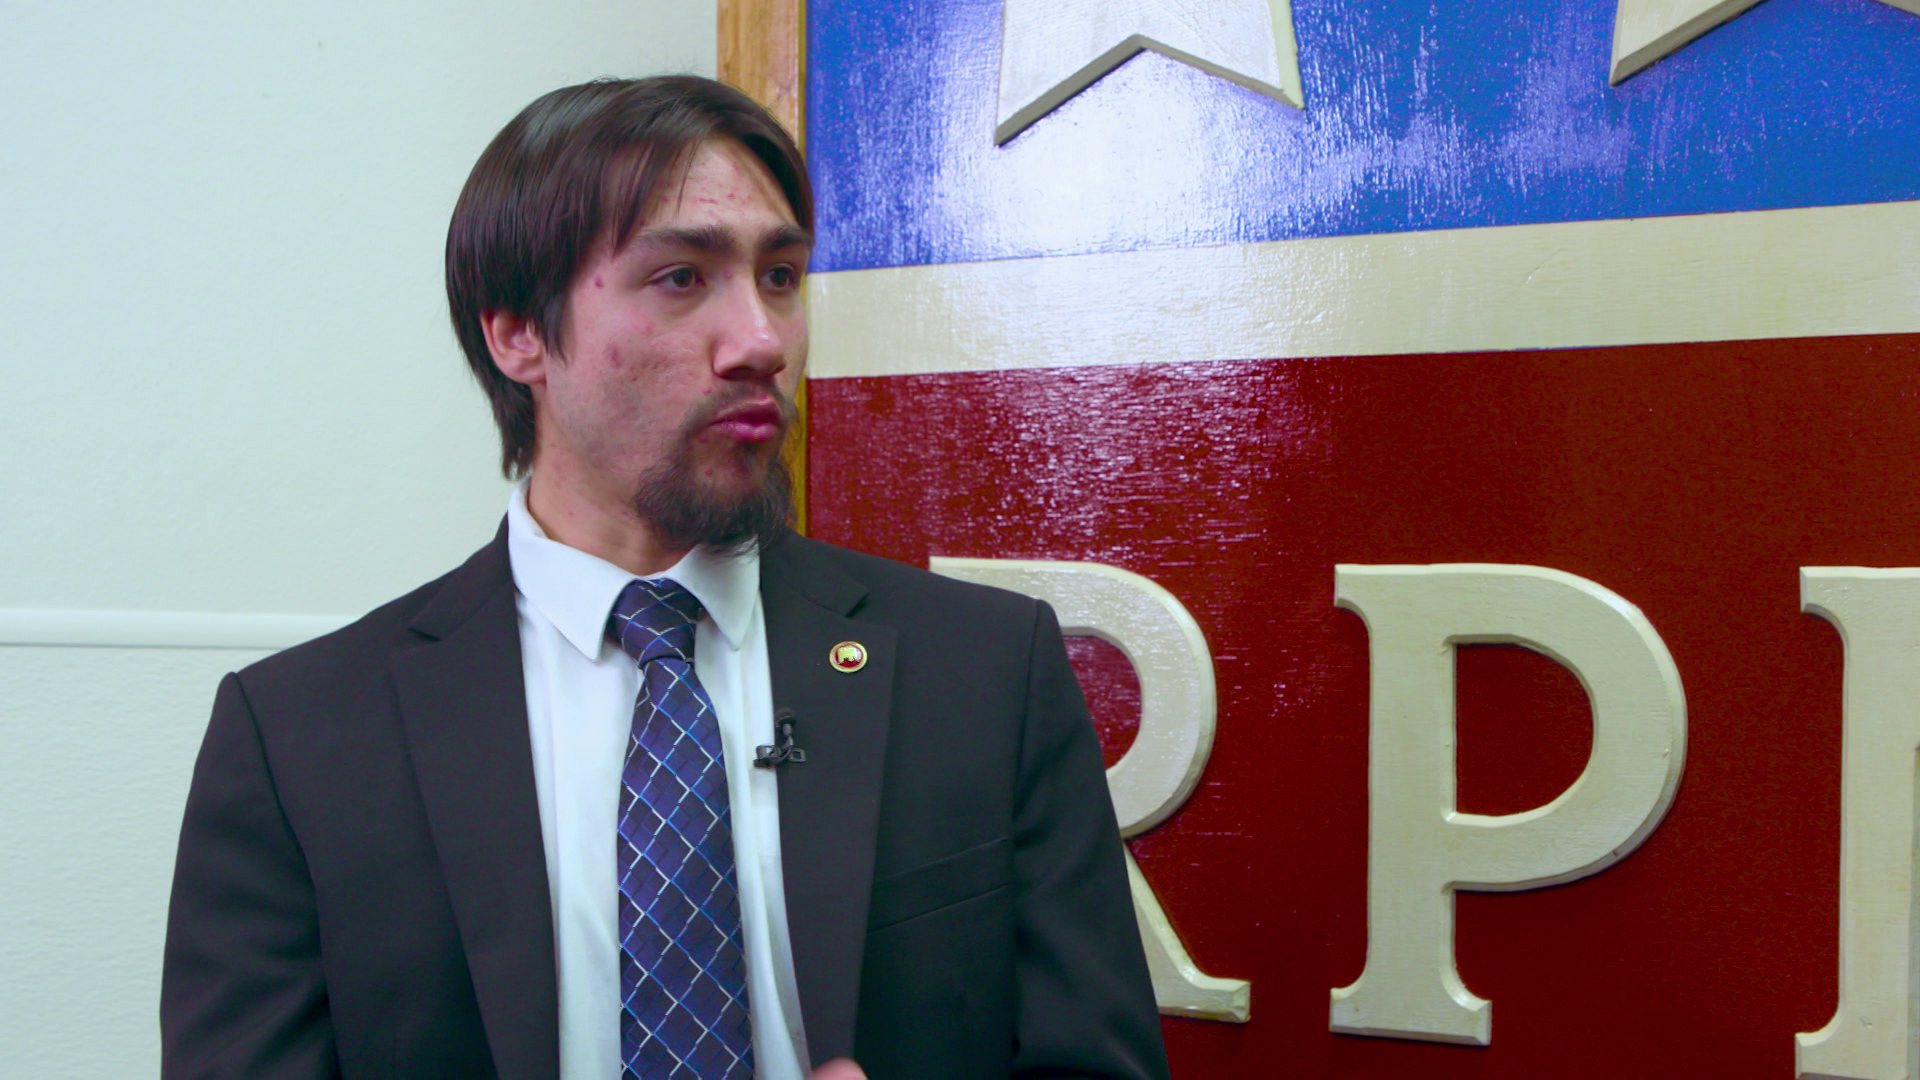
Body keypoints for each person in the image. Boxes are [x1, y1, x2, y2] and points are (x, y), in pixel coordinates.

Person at [160, 75, 1169, 1080]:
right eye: (682, 277)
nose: (763, 342)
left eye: (780, 276)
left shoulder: (988, 674)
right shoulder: (297, 742)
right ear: (515, 332)